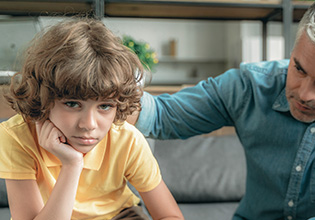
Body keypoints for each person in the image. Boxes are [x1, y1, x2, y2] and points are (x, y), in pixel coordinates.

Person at [131, 0, 315, 219]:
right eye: (299, 68)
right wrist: (104, 94)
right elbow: (162, 115)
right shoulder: (250, 86)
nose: (304, 93)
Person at [0, 18, 184, 220]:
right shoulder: (16, 137)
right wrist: (72, 165)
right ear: (44, 99)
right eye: (72, 104)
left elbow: (170, 216)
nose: (88, 125)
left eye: (105, 106)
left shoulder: (127, 140)